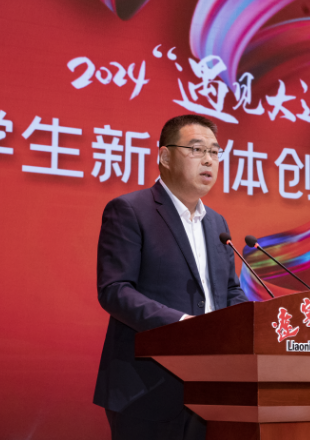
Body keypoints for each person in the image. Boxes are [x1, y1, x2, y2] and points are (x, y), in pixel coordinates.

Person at [93, 114, 248, 440]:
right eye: (197, 149)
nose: (208, 160)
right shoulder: (130, 210)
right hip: (146, 388)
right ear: (165, 156)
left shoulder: (217, 224)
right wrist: (181, 325)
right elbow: (115, 290)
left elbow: (229, 292)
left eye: (215, 152)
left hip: (211, 388)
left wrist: (254, 325)